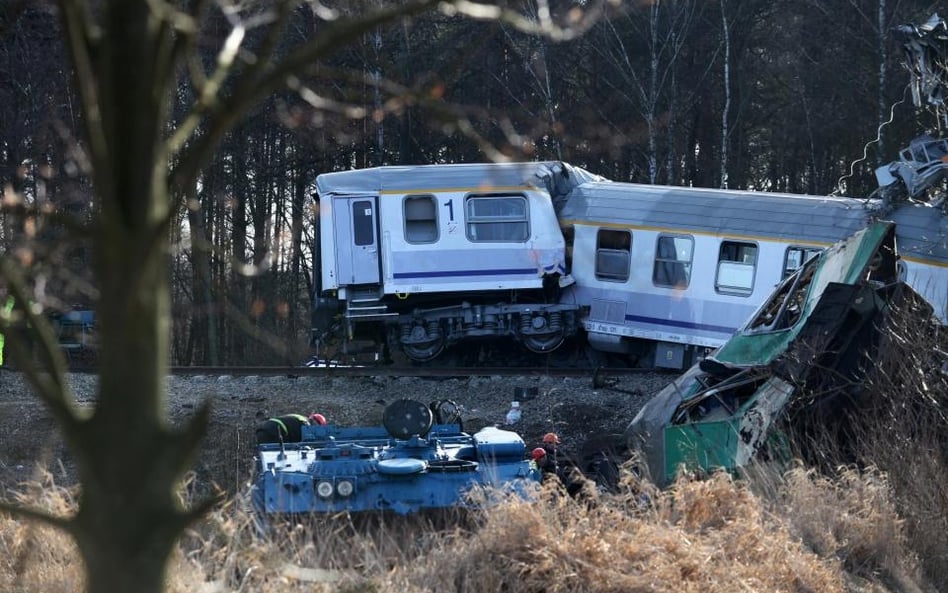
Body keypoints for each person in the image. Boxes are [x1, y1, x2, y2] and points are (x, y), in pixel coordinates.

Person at [255, 412, 326, 445]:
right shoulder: (305, 424)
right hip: (276, 432)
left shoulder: (298, 417)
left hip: (263, 429)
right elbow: (300, 442)